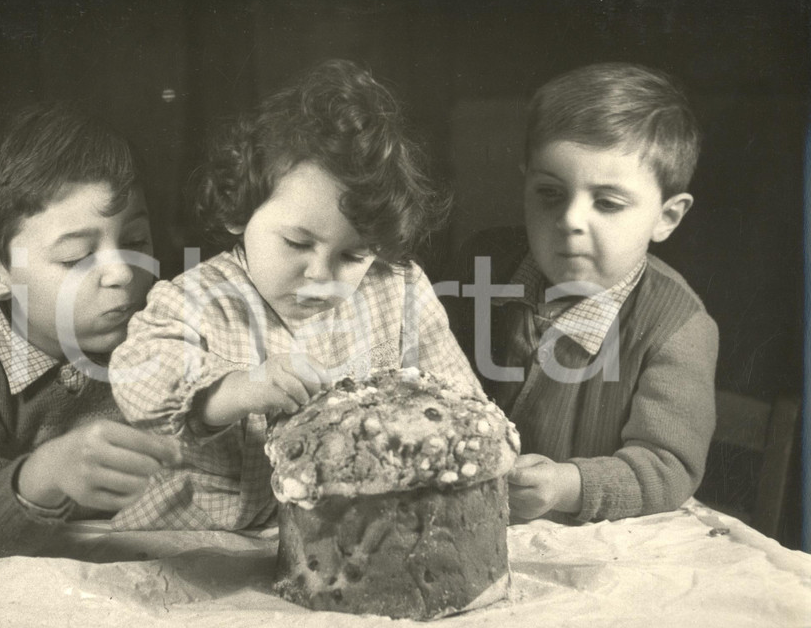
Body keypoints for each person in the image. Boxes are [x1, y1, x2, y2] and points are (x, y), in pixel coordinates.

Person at [109, 59, 479, 531]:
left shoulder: (398, 288)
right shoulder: (196, 299)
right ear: (238, 213)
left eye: (353, 255)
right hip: (198, 538)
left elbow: (460, 403)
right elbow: (138, 381)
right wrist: (237, 390)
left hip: (338, 533)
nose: (321, 275)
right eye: (297, 244)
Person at [451, 62, 718, 523]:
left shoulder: (677, 325)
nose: (570, 220)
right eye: (550, 194)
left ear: (667, 217)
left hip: (596, 540)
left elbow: (667, 466)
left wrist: (566, 486)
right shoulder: (484, 262)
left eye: (608, 203)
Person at [0, 102, 182, 560]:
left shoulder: (170, 318)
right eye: (77, 257)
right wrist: (48, 472)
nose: (123, 273)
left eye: (136, 241)